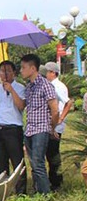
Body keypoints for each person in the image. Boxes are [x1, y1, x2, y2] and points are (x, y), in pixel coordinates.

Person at [21, 54, 58, 195]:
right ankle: (38, 191)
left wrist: (52, 127)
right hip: (30, 129)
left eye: (24, 67)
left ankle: (45, 195)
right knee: (33, 164)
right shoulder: (29, 87)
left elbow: (54, 110)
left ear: (33, 68)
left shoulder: (45, 85)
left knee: (38, 164)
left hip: (41, 128)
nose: (21, 70)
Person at [0, 60, 27, 194]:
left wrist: (11, 90)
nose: (5, 73)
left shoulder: (20, 88)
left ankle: (21, 192)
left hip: (14, 129)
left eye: (8, 71)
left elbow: (21, 106)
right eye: (2, 71)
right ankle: (4, 191)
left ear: (14, 72)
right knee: (0, 163)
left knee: (17, 161)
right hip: (0, 128)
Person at [42, 61, 73, 191]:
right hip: (51, 124)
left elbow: (68, 102)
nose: (44, 74)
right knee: (49, 152)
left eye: (46, 72)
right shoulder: (50, 85)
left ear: (53, 73)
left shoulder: (57, 86)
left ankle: (56, 182)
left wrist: (60, 118)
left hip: (56, 125)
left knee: (53, 153)